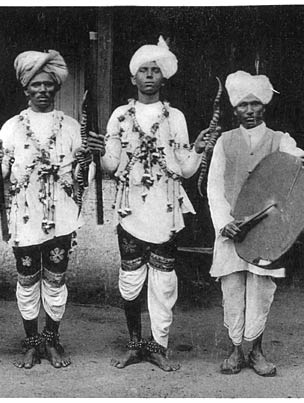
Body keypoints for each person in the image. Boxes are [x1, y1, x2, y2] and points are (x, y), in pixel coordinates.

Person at [99, 36, 211, 371]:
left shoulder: (175, 117)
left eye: (155, 70)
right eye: (143, 71)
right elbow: (110, 165)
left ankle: (158, 346)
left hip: (165, 207)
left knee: (163, 281)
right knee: (131, 279)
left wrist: (199, 149)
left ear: (164, 77)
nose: (149, 76)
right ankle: (134, 344)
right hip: (131, 207)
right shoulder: (120, 115)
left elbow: (186, 169)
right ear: (133, 78)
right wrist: (99, 151)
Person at [207, 70, 304, 376]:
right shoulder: (224, 141)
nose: (249, 111)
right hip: (233, 229)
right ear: (234, 109)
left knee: (262, 287)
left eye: (255, 104)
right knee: (232, 287)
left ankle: (257, 350)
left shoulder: (279, 140)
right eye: (242, 106)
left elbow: (299, 159)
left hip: (268, 229)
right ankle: (235, 350)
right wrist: (224, 223)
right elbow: (214, 186)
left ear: (264, 106)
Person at [0, 50, 102, 369]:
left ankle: (52, 341)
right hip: (25, 216)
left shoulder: (70, 126)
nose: (41, 90)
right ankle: (32, 343)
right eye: (35, 85)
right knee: (27, 281)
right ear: (26, 89)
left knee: (55, 281)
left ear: (56, 88)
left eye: (48, 85)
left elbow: (84, 177)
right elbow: (0, 175)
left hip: (61, 216)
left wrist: (85, 163)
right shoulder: (11, 127)